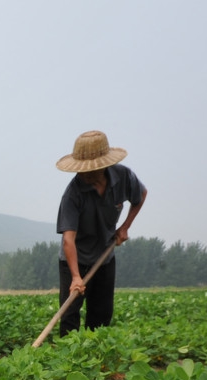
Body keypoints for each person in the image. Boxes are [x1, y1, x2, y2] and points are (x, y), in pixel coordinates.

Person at [54, 130, 147, 336]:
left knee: (101, 313)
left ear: (103, 166)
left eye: (90, 170)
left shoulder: (123, 176)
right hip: (75, 258)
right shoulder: (72, 194)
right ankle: (67, 352)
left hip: (105, 256)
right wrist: (76, 277)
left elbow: (141, 195)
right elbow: (68, 239)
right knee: (69, 313)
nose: (84, 174)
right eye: (81, 170)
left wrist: (125, 226)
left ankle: (95, 351)